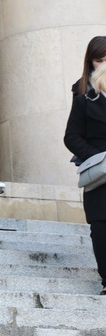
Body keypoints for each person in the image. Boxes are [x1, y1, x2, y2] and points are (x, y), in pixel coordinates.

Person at [65, 53, 106, 296]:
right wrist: (98, 157)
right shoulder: (85, 101)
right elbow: (71, 137)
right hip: (100, 174)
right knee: (101, 227)